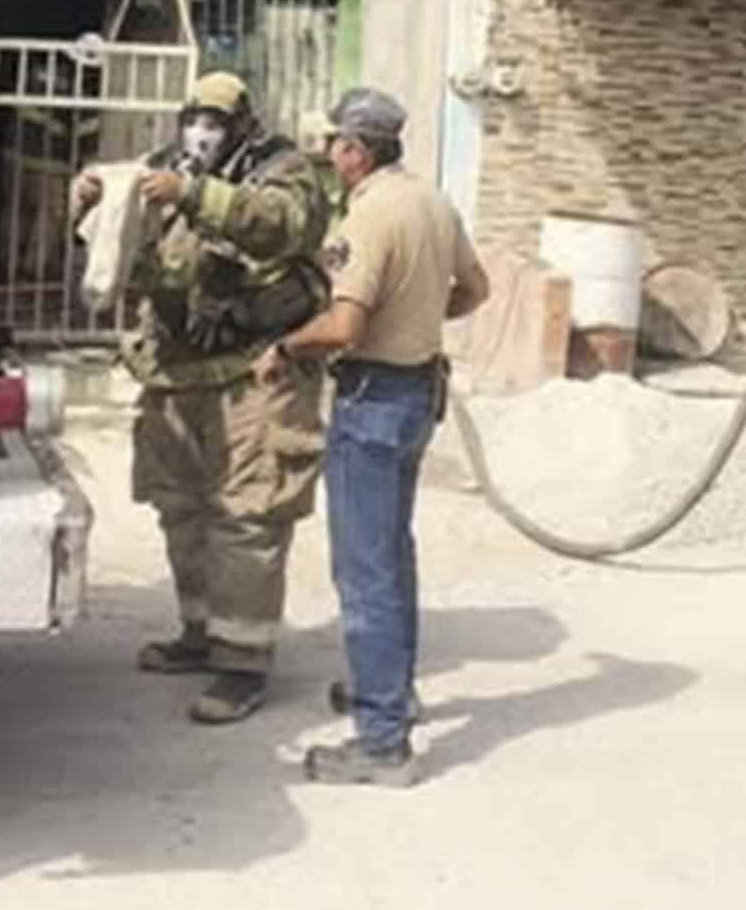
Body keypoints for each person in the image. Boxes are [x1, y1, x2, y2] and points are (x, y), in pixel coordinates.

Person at [72, 70, 334, 724]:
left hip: (252, 374)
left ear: (242, 124)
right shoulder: (161, 167)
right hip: (174, 373)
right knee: (180, 508)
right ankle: (199, 631)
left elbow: (281, 226)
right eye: (193, 119)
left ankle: (242, 662)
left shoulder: (283, 170)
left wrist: (193, 193)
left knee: (247, 516)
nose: (201, 133)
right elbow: (121, 242)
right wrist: (89, 202)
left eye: (215, 122)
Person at [259, 86, 487, 787]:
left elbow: (344, 326)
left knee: (365, 573)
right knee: (392, 555)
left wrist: (285, 347)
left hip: (373, 400)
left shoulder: (368, 216)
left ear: (356, 151)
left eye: (335, 142)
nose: (329, 153)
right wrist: (417, 317)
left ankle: (382, 740)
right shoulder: (432, 202)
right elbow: (475, 289)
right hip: (417, 394)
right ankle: (392, 689)